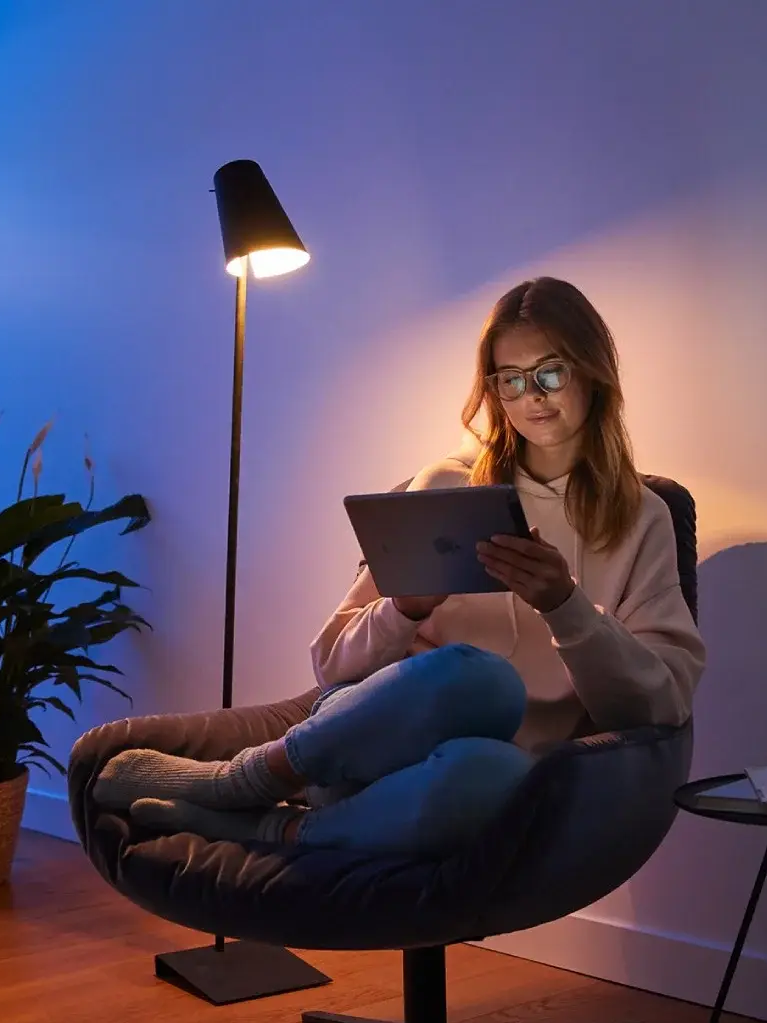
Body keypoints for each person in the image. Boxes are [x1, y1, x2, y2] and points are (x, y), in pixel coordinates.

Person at [91, 277, 705, 855]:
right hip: (372, 749)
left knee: (488, 768)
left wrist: (567, 609)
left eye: (550, 372)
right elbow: (332, 663)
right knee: (477, 677)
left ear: (593, 375)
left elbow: (660, 704)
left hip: (481, 778)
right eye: (510, 380)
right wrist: (403, 608)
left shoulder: (641, 517)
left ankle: (275, 828)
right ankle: (239, 782)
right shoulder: (446, 487)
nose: (531, 397)